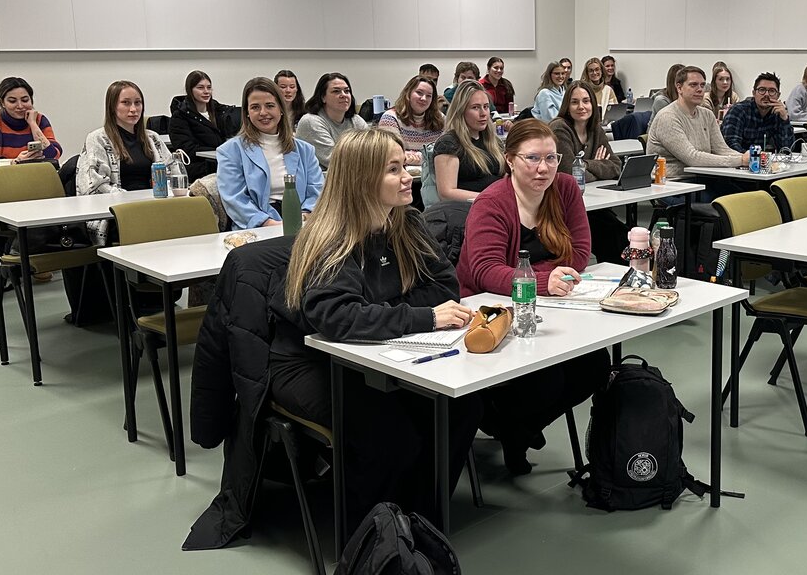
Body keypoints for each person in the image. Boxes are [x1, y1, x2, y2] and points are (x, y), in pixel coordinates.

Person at [269, 128, 481, 526]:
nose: (408, 177)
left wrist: (382, 310)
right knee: (388, 431)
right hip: (309, 360)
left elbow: (445, 286)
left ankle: (421, 518)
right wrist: (422, 316)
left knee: (461, 406)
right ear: (362, 178)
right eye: (394, 169)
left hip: (381, 352)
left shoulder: (405, 222)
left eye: (405, 166)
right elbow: (339, 319)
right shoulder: (331, 238)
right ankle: (372, 535)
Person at [457, 119, 606, 475]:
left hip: (555, 304)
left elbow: (580, 253)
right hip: (493, 309)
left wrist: (547, 278)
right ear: (509, 159)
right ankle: (506, 423)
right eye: (532, 158)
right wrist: (543, 279)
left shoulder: (566, 189)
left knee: (595, 365)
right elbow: (485, 272)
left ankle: (513, 429)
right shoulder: (492, 202)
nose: (543, 168)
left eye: (552, 158)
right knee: (547, 378)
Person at [216, 77, 324, 229]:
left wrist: (303, 217)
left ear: (281, 109)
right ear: (247, 113)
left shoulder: (305, 150)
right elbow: (235, 200)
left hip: (303, 222)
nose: (263, 112)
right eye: (255, 107)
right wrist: (269, 223)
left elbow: (317, 191)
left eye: (269, 105)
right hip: (257, 227)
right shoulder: (229, 151)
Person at [75, 80, 174, 244]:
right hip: (119, 212)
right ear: (112, 107)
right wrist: (129, 200)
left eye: (138, 103)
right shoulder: (98, 139)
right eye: (126, 103)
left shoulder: (152, 138)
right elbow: (94, 185)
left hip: (155, 206)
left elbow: (173, 171)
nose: (133, 109)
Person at [549, 81, 626, 261]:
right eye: (575, 102)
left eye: (586, 101)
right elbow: (570, 176)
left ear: (593, 104)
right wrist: (594, 166)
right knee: (614, 235)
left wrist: (585, 164)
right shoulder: (559, 128)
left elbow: (615, 166)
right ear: (567, 106)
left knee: (622, 234)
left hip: (591, 202)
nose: (581, 107)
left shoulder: (595, 128)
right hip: (562, 204)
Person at [646, 66, 747, 200]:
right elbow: (692, 158)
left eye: (702, 85)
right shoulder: (668, 117)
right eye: (693, 85)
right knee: (728, 204)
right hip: (673, 184)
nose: (700, 89)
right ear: (679, 88)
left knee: (747, 196)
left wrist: (749, 159)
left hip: (703, 178)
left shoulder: (707, 114)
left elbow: (721, 149)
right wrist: (740, 160)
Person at [433, 82, 504, 202]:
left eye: (486, 107)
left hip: (498, 205)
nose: (483, 114)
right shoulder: (448, 144)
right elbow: (446, 192)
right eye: (475, 107)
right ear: (461, 111)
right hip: (467, 210)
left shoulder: (494, 142)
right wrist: (490, 198)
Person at [0, 76, 62, 165]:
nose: (20, 106)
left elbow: (53, 155)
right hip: (2, 175)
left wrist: (33, 124)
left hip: (35, 174)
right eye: (12, 101)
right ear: (2, 103)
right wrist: (15, 162)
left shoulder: (39, 119)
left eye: (25, 100)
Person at [170, 70, 240, 179]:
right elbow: (187, 150)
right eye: (200, 88)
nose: (206, 91)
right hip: (199, 167)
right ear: (190, 90)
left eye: (209, 87)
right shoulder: (180, 116)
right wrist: (219, 151)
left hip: (221, 162)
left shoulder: (218, 111)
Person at [296, 72, 366, 168]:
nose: (343, 95)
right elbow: (335, 161)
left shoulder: (356, 121)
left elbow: (373, 150)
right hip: (321, 180)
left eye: (347, 91)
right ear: (323, 97)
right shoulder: (310, 122)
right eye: (336, 91)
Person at [378, 75, 444, 166]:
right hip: (402, 176)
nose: (424, 98)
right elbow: (392, 156)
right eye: (419, 93)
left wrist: (414, 157)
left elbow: (447, 153)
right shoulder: (390, 118)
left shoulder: (441, 118)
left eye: (429, 96)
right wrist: (429, 157)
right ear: (408, 93)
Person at [721, 72, 794, 153]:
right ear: (754, 93)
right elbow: (731, 145)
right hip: (736, 162)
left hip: (760, 162)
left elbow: (786, 150)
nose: (766, 94)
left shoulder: (777, 113)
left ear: (778, 95)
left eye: (772, 91)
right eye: (762, 90)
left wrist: (784, 118)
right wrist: (754, 157)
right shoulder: (739, 110)